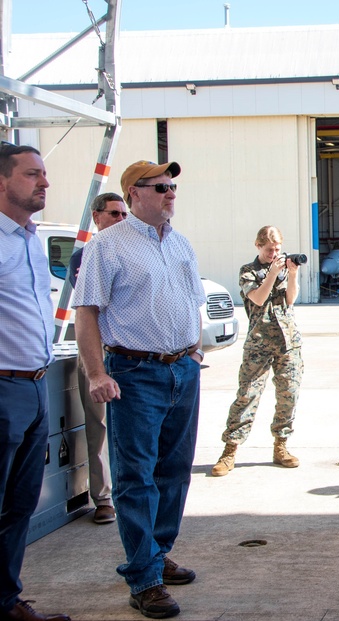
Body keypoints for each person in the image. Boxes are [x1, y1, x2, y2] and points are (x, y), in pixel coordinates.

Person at [73, 161, 204, 620]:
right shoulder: (107, 246)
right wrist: (95, 374)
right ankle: (144, 579)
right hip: (134, 374)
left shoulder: (181, 243)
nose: (171, 193)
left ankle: (157, 552)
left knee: (175, 472)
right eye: (161, 187)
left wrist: (194, 351)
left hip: (183, 371)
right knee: (136, 479)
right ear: (134, 194)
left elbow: (192, 301)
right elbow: (86, 313)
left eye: (173, 187)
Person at [0, 144, 71, 621]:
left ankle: (5, 600)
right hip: (3, 388)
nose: (43, 182)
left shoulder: (29, 238)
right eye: (31, 174)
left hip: (34, 385)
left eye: (44, 174)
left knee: (20, 505)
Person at [211, 226, 303, 476]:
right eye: (269, 249)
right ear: (258, 246)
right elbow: (259, 299)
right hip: (259, 342)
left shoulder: (283, 269)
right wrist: (272, 274)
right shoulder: (248, 271)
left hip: (288, 341)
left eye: (277, 249)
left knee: (289, 394)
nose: (274, 254)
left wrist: (292, 274)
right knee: (247, 395)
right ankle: (229, 451)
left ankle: (281, 446)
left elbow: (291, 300)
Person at [67, 192, 128, 525]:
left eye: (124, 215)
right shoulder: (85, 256)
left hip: (132, 351)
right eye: (114, 214)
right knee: (99, 425)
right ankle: (103, 497)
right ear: (97, 217)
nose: (120, 219)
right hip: (98, 350)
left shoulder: (136, 250)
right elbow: (93, 307)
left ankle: (131, 491)